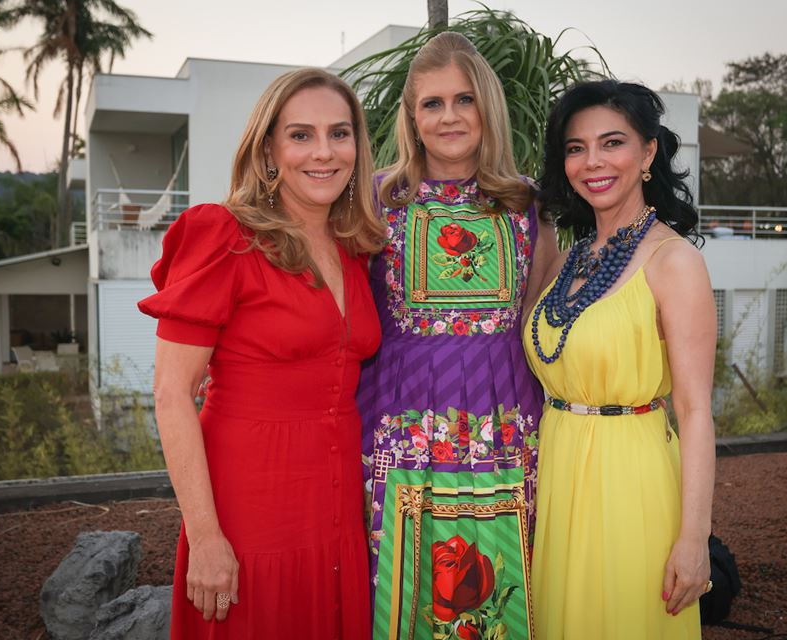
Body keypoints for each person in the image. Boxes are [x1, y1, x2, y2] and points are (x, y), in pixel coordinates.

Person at [138, 68, 386, 639]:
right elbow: (171, 394)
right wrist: (204, 537)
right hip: (251, 517)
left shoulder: (355, 249)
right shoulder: (225, 236)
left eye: (339, 134)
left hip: (337, 515)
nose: (324, 152)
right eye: (301, 135)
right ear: (269, 147)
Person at [356, 32, 558, 638]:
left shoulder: (527, 204)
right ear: (412, 118)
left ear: (486, 109)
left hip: (505, 420)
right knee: (403, 587)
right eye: (433, 104)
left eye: (463, 100)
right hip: (400, 421)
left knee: (502, 581)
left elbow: (538, 317)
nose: (449, 117)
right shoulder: (376, 200)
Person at [525, 79, 717, 638]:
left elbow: (696, 409)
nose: (593, 162)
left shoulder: (673, 261)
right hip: (559, 473)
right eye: (576, 148)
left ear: (649, 152)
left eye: (613, 143)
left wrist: (694, 538)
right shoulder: (564, 260)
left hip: (631, 479)